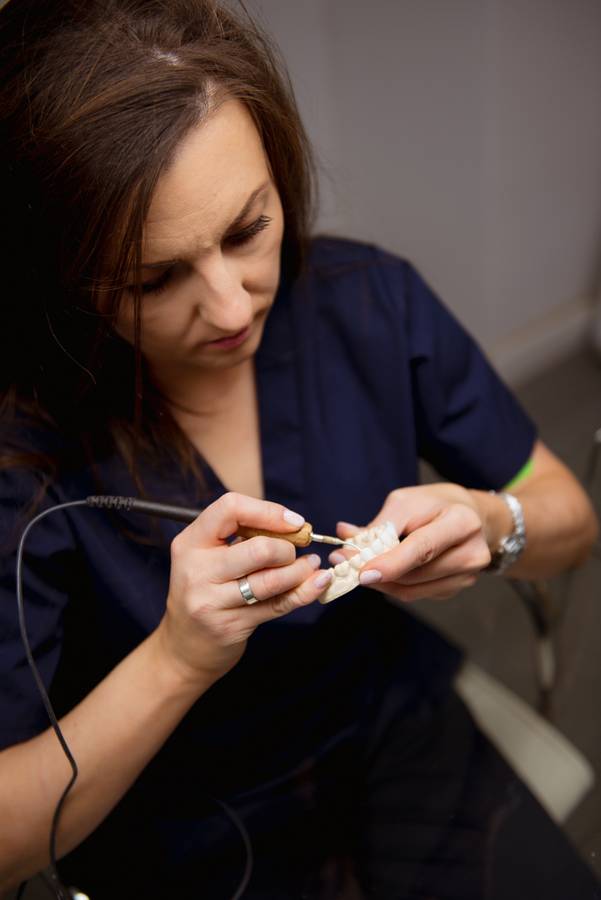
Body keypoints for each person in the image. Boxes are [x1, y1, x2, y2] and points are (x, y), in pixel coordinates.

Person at [0, 1, 599, 898]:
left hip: (387, 724)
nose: (232, 307)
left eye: (248, 230)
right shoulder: (24, 456)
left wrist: (491, 523)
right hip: (175, 818)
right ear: (64, 280)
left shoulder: (368, 302)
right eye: (154, 279)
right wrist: (176, 659)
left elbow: (570, 522)